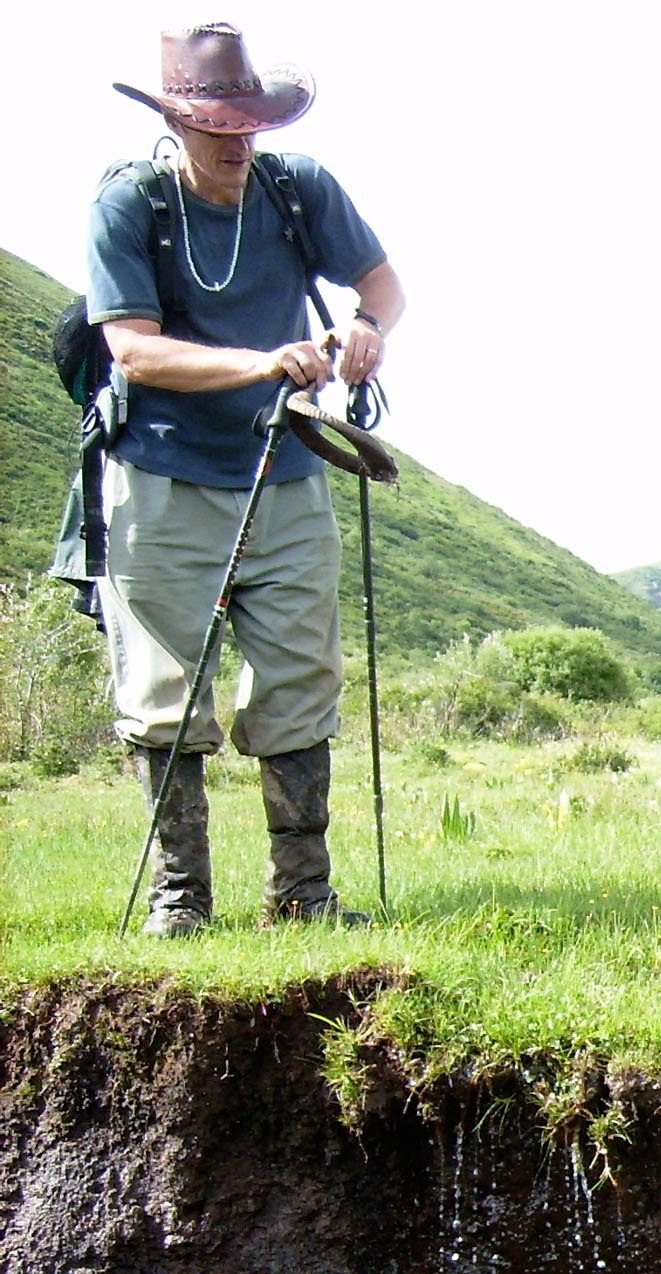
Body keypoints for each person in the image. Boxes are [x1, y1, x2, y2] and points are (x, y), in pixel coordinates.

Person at [87, 23, 405, 933]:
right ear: (175, 122)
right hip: (161, 475)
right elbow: (135, 353)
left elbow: (383, 283)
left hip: (289, 471)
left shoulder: (298, 190)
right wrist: (261, 364)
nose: (236, 139)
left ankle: (303, 895)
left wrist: (365, 329)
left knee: (303, 675)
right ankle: (180, 899)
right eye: (215, 123)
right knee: (160, 687)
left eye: (247, 121)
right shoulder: (129, 207)